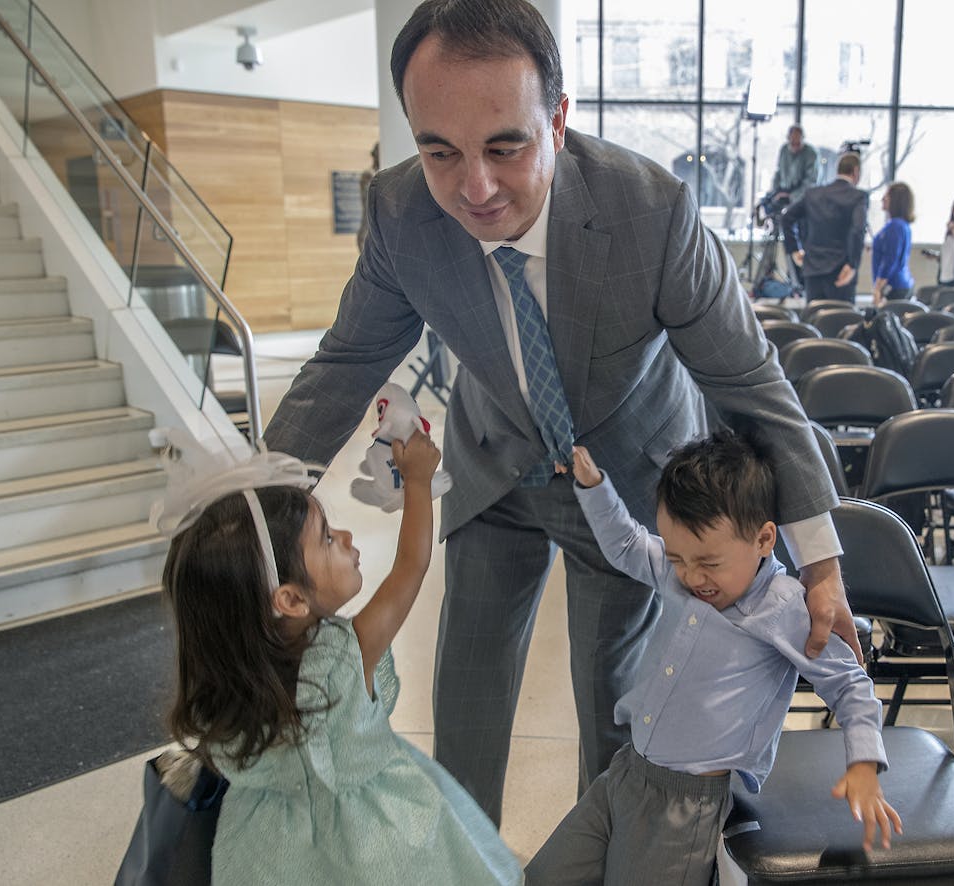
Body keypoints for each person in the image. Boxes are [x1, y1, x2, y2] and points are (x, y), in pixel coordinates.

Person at [261, 0, 858, 827]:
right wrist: (249, 512)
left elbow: (748, 383)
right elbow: (343, 366)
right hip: (496, 457)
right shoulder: (401, 214)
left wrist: (820, 563)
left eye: (506, 146)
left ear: (560, 120)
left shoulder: (651, 213)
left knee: (611, 706)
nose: (474, 187)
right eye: (440, 151)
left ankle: (605, 856)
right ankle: (464, 862)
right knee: (464, 695)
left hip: (627, 474)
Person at [525, 434, 900, 885]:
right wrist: (593, 486)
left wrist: (863, 763)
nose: (691, 576)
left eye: (708, 562)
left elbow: (849, 684)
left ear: (763, 539)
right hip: (626, 773)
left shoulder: (782, 610)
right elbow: (626, 544)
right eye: (678, 556)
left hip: (684, 807)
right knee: (545, 875)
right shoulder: (681, 570)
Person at [156, 430, 521, 885]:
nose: (346, 537)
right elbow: (411, 564)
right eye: (327, 539)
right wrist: (419, 482)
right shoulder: (347, 655)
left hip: (267, 853)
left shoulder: (224, 688)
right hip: (382, 838)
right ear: (290, 599)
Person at [781, 152, 867, 303]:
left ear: (837, 170)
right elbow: (857, 230)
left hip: (813, 269)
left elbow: (786, 217)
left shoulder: (812, 194)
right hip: (842, 270)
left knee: (814, 320)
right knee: (841, 320)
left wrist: (794, 249)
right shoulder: (858, 196)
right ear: (855, 172)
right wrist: (852, 264)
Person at [870, 181, 915, 304]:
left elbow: (891, 258)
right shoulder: (902, 225)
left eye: (887, 196)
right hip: (901, 284)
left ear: (896, 200)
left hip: (893, 287)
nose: (883, 199)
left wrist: (878, 288)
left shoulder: (894, 226)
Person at [770, 124, 819, 209]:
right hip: (782, 193)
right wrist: (775, 192)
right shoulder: (784, 150)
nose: (795, 147)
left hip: (801, 197)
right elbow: (778, 172)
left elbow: (811, 181)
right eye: (793, 143)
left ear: (803, 139)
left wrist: (791, 196)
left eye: (798, 143)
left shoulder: (811, 154)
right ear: (788, 139)